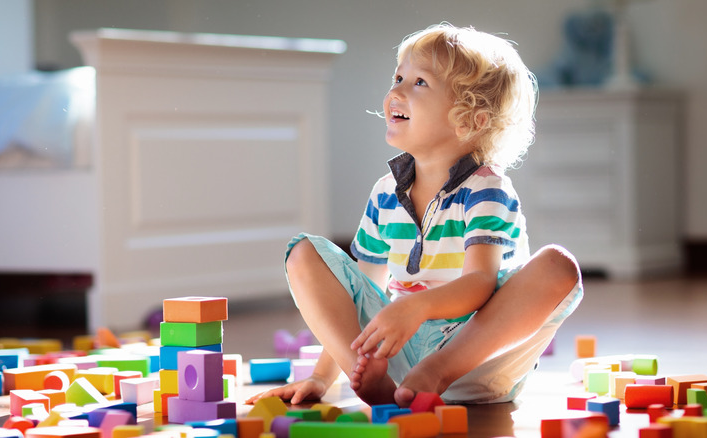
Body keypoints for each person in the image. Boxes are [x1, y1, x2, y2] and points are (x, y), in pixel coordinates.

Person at [247, 23, 583, 407]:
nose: (396, 91)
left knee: (559, 266)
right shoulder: (384, 194)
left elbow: (479, 283)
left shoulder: (486, 190)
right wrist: (323, 378)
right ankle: (372, 376)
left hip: (475, 356)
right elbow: (359, 291)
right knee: (303, 252)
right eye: (399, 77)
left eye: (419, 82)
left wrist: (415, 307)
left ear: (470, 118)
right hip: (399, 354)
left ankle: (437, 372)